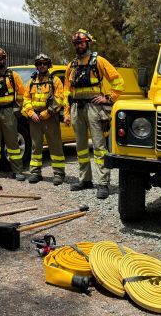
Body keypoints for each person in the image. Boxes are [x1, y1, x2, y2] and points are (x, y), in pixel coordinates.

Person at [63, 29, 124, 199]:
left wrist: (107, 97)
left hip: (94, 108)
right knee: (81, 147)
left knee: (99, 146)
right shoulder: (71, 65)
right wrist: (67, 113)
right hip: (76, 108)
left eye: (81, 42)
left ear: (87, 43)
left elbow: (119, 82)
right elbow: (67, 91)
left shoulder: (99, 61)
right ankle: (85, 180)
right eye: (76, 43)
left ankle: (103, 183)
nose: (79, 46)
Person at [0, 47, 26, 180]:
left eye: (1, 58)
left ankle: (17, 171)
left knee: (12, 142)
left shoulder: (13, 75)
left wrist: (17, 108)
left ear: (5, 59)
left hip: (8, 111)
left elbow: (21, 94)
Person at [22, 53, 66, 186]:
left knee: (55, 146)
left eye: (44, 63)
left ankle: (58, 174)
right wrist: (30, 113)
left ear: (48, 65)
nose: (42, 66)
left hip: (50, 118)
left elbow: (59, 99)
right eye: (39, 64)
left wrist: (46, 113)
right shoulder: (32, 81)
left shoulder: (55, 80)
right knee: (36, 146)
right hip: (34, 119)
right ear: (36, 66)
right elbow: (26, 99)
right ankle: (35, 172)